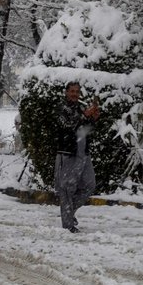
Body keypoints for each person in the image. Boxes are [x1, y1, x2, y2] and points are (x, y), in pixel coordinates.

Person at [54, 81, 100, 233]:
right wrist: (84, 115)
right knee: (67, 189)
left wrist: (93, 120)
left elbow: (85, 130)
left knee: (89, 185)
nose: (75, 94)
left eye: (77, 91)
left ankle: (69, 212)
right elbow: (67, 127)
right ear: (66, 92)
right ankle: (68, 225)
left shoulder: (81, 106)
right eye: (72, 91)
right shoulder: (61, 107)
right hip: (68, 152)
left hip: (83, 152)